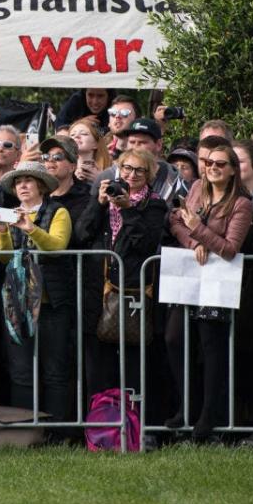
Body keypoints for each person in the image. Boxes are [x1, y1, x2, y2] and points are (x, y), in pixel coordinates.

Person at [167, 144, 253, 440]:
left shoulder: (241, 203)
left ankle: (208, 415)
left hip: (218, 280)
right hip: (190, 275)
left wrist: (200, 231)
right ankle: (186, 406)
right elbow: (176, 221)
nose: (212, 168)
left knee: (211, 346)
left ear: (232, 170)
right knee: (174, 337)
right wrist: (194, 243)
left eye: (219, 164)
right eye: (208, 163)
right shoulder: (196, 189)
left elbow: (230, 248)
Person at [76, 149, 167, 398]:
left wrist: (128, 209)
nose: (132, 174)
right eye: (126, 168)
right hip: (100, 289)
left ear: (149, 174)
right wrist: (99, 203)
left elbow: (146, 243)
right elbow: (82, 233)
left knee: (135, 364)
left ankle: (136, 424)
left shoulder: (155, 203)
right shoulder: (104, 199)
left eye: (139, 170)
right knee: (99, 366)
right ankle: (101, 426)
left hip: (133, 292)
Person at [0, 162, 72, 421]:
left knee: (54, 371)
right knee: (21, 370)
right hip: (19, 301)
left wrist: (30, 228)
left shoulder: (58, 211)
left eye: (28, 180)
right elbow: (4, 258)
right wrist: (2, 232)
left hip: (52, 303)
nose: (22, 186)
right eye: (18, 182)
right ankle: (24, 430)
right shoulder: (10, 213)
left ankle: (55, 431)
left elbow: (57, 245)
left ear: (41, 185)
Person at [68, 118, 112, 184]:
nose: (76, 136)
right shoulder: (63, 168)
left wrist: (100, 179)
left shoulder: (111, 169)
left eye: (84, 134)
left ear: (96, 144)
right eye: (72, 135)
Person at [103, 95, 140, 159]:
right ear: (108, 122)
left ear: (137, 120)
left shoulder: (146, 154)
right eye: (113, 113)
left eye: (124, 112)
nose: (117, 116)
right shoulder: (97, 151)